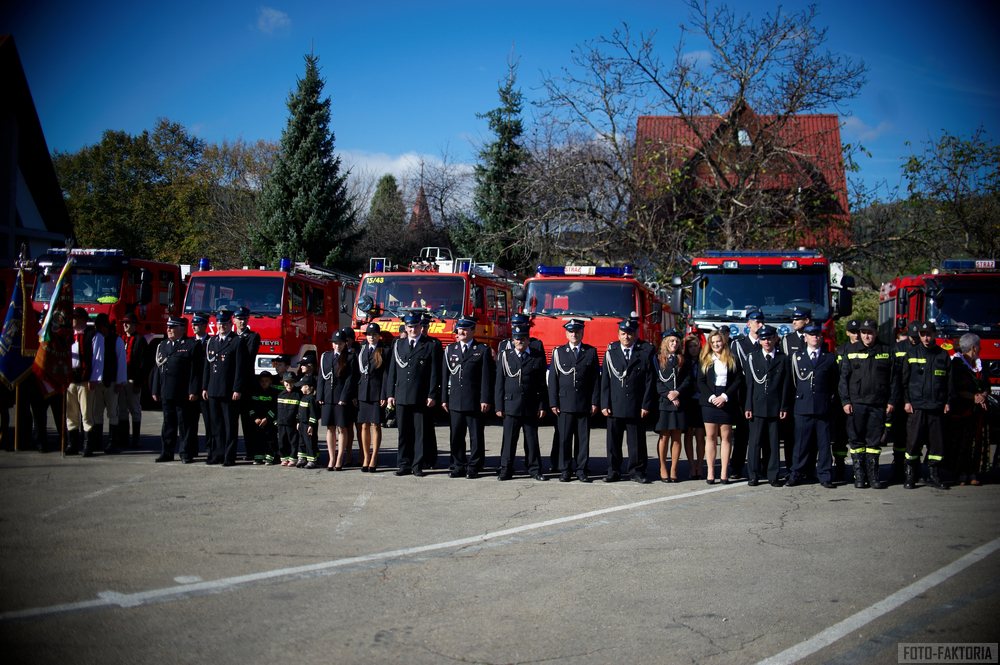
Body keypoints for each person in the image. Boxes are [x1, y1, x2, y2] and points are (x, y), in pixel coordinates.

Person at [839, 318, 898, 489]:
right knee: (856, 441)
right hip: (856, 403)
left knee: (874, 443)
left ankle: (873, 477)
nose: (866, 336)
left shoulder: (887, 350)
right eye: (863, 333)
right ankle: (859, 476)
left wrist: (892, 400)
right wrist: (845, 401)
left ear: (876, 333)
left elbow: (894, 379)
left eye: (869, 333)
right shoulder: (850, 350)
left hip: (878, 403)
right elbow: (843, 379)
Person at [386, 313, 442, 477]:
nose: (413, 330)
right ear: (406, 328)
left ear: (420, 327)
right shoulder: (398, 344)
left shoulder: (429, 345)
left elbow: (435, 373)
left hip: (420, 396)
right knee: (404, 432)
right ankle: (404, 464)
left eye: (416, 326)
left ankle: (417, 465)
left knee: (420, 433)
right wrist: (390, 394)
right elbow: (392, 371)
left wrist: (432, 394)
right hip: (402, 395)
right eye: (410, 327)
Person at [601, 319, 655, 483]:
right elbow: (605, 380)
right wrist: (604, 403)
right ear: (618, 335)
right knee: (613, 442)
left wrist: (646, 404)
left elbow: (649, 382)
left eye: (630, 333)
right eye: (623, 333)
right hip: (615, 404)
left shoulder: (644, 352)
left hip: (636, 404)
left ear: (636, 334)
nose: (626, 337)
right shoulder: (611, 352)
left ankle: (637, 471)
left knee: (636, 441)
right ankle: (613, 471)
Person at [442, 316, 495, 479]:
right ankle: (458, 465)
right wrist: (444, 398)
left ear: (473, 331)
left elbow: (487, 377)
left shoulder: (482, 349)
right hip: (455, 400)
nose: (462, 332)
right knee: (456, 435)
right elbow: (444, 376)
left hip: (474, 400)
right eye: (460, 329)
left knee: (476, 436)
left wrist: (485, 399)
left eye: (465, 329)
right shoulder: (450, 349)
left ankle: (475, 465)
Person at [786, 324, 839, 488]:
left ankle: (825, 475)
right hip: (803, 406)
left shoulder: (829, 358)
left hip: (823, 407)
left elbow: (834, 382)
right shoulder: (797, 357)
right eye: (811, 335)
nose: (815, 337)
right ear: (806, 338)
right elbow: (792, 383)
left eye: (817, 335)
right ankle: (796, 474)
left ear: (821, 338)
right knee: (801, 444)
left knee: (824, 444)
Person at [547, 319, 599, 483]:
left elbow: (595, 380)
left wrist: (594, 401)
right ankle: (565, 469)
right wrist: (553, 402)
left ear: (582, 333)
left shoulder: (590, 352)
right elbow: (553, 379)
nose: (574, 334)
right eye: (571, 332)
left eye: (577, 332)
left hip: (584, 402)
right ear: (566, 334)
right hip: (565, 403)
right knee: (564, 438)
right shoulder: (559, 352)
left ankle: (581, 469)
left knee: (583, 439)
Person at [495, 323, 549, 481]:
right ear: (513, 340)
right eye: (517, 339)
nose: (520, 342)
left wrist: (542, 405)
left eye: (523, 339)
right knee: (509, 440)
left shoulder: (537, 356)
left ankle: (535, 469)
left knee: (532, 440)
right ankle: (506, 469)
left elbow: (541, 384)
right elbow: (499, 383)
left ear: (528, 340)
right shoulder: (505, 356)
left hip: (530, 405)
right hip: (511, 405)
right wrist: (499, 406)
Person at [901, 321, 951, 489]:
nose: (926, 338)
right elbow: (904, 380)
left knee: (936, 443)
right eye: (923, 335)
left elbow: (949, 382)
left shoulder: (943, 355)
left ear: (935, 335)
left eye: (929, 335)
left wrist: (948, 401)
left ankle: (933, 475)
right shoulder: (912, 352)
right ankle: (911, 475)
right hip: (916, 406)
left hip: (936, 406)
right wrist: (907, 401)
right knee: (913, 442)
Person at [150, 316, 203, 463]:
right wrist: (155, 390)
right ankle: (166, 452)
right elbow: (158, 368)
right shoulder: (163, 345)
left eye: (172, 327)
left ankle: (185, 453)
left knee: (185, 425)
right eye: (168, 327)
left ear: (182, 329)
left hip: (183, 393)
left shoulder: (192, 344)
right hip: (167, 392)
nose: (169, 330)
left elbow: (195, 371)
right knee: (168, 424)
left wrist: (193, 390)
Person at [743, 326, 790, 486]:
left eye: (769, 338)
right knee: (755, 443)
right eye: (763, 339)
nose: (767, 342)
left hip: (775, 406)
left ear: (775, 339)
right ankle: (754, 475)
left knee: (773, 443)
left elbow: (785, 386)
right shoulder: (753, 358)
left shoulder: (783, 359)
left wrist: (784, 407)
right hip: (757, 406)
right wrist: (748, 407)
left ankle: (773, 475)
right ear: (760, 341)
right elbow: (749, 385)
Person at [201, 310, 247, 466]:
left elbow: (240, 368)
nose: (221, 326)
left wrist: (237, 389)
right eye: (219, 323)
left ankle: (229, 456)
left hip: (228, 390)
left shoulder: (237, 341)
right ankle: (217, 454)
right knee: (216, 425)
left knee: (229, 425)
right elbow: (207, 366)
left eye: (225, 323)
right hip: (213, 389)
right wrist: (205, 387)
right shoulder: (212, 341)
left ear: (230, 324)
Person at [697, 329, 741, 484]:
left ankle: (724, 472)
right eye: (713, 342)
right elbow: (701, 381)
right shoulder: (705, 359)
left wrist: (724, 397)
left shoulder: (733, 359)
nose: (716, 344)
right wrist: (712, 397)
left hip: (727, 400)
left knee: (726, 437)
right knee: (710, 437)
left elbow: (737, 380)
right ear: (710, 344)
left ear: (724, 342)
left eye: (718, 341)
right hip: (709, 400)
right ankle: (710, 471)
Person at [949, 333, 990, 486]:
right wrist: (975, 397)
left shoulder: (978, 364)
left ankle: (973, 471)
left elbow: (986, 384)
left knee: (976, 441)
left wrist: (983, 395)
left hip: (978, 411)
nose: (980, 349)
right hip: (962, 410)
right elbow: (956, 387)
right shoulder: (957, 364)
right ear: (973, 348)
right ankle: (962, 473)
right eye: (979, 346)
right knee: (963, 442)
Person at [729, 309, 765, 479]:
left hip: (762, 393)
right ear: (748, 324)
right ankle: (736, 467)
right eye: (756, 321)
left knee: (763, 434)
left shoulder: (767, 342)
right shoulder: (738, 344)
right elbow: (734, 371)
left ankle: (763, 466)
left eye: (762, 321)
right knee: (742, 434)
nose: (760, 324)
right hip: (743, 394)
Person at [66, 307, 104, 456]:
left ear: (83, 320)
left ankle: (88, 444)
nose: (72, 320)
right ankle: (72, 443)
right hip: (70, 380)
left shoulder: (94, 335)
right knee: (71, 413)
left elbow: (98, 359)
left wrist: (94, 378)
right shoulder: (68, 335)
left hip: (85, 380)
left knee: (87, 413)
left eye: (75, 318)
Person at [655, 330, 692, 483]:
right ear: (665, 342)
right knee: (664, 437)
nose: (674, 344)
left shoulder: (683, 359)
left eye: (677, 341)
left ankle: (674, 469)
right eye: (671, 341)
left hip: (679, 402)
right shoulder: (658, 359)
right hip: (664, 403)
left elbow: (688, 379)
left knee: (677, 437)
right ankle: (663, 467)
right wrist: (669, 395)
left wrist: (678, 393)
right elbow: (656, 380)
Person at [887, 321, 920, 481]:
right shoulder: (898, 348)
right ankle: (898, 468)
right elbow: (893, 376)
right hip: (901, 398)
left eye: (916, 336)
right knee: (900, 435)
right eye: (912, 336)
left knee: (917, 436)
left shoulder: (923, 349)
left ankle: (914, 469)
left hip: (918, 398)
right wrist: (893, 398)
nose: (914, 339)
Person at [780, 307, 811, 474]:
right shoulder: (787, 340)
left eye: (798, 319)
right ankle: (791, 467)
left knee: (809, 433)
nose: (794, 322)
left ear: (806, 321)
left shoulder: (814, 337)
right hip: (793, 393)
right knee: (790, 433)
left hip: (810, 393)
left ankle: (809, 468)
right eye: (793, 319)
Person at [320, 330, 357, 470]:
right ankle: (331, 458)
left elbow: (350, 379)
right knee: (330, 428)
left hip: (341, 397)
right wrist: (320, 396)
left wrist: (344, 397)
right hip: (328, 397)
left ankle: (340, 457)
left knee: (342, 428)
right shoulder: (326, 356)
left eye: (340, 343)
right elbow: (321, 377)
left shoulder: (350, 357)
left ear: (345, 344)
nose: (337, 346)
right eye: (335, 343)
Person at [92, 313, 127, 453]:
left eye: (100, 326)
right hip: (98, 383)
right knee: (96, 412)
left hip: (111, 382)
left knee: (112, 412)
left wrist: (119, 382)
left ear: (106, 327)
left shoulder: (116, 340)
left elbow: (121, 362)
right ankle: (96, 441)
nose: (97, 328)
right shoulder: (95, 339)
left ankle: (112, 441)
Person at [832, 319, 861, 481]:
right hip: (840, 400)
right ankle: (839, 465)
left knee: (858, 435)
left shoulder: (865, 350)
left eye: (859, 332)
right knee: (840, 435)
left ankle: (860, 468)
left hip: (859, 398)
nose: (857, 335)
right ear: (848, 333)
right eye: (853, 332)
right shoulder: (840, 350)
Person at [356, 324, 387, 472]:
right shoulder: (362, 351)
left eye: (374, 335)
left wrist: (384, 394)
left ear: (379, 336)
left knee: (376, 425)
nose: (371, 337)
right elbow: (357, 374)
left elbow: (386, 375)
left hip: (376, 392)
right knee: (364, 425)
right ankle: (366, 456)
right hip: (363, 392)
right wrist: (355, 394)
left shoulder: (384, 351)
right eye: (369, 335)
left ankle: (374, 456)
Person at [233, 307, 261, 461]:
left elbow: (248, 357)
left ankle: (251, 451)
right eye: (239, 319)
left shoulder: (253, 336)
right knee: (230, 421)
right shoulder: (231, 337)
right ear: (234, 320)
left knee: (248, 420)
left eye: (244, 319)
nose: (242, 322)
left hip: (246, 384)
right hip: (231, 384)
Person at [119, 311, 149, 450]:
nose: (125, 325)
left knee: (135, 409)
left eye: (128, 323)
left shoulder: (140, 340)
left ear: (135, 325)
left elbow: (144, 364)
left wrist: (139, 383)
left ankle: (136, 440)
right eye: (124, 323)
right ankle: (123, 438)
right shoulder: (121, 339)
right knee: (122, 410)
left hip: (133, 381)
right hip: (122, 381)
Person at [191, 313, 215, 458]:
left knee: (209, 421)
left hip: (206, 387)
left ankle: (210, 448)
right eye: (193, 324)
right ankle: (192, 448)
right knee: (191, 421)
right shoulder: (189, 342)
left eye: (197, 324)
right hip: (193, 388)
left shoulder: (211, 342)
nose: (194, 327)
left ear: (204, 325)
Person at [683, 336, 706, 480]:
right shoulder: (684, 362)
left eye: (695, 346)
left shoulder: (705, 361)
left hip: (701, 401)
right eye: (690, 346)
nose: (693, 349)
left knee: (700, 436)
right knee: (688, 434)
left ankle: (700, 466)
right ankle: (692, 467)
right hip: (688, 402)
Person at [249, 371, 281, 464]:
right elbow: (250, 407)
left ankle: (269, 457)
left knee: (270, 439)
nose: (264, 383)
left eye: (266, 381)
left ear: (271, 381)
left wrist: (267, 418)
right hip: (258, 421)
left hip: (269, 422)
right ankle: (258, 457)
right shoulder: (255, 392)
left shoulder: (273, 393)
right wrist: (255, 418)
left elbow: (274, 408)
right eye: (262, 381)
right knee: (258, 439)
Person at [295, 374, 320, 468]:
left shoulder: (312, 399)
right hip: (301, 424)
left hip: (308, 425)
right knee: (301, 442)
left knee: (310, 442)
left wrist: (311, 425)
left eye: (302, 386)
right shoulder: (303, 397)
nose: (300, 388)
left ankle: (312, 460)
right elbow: (299, 411)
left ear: (307, 387)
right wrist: (298, 422)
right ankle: (302, 458)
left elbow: (313, 414)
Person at [276, 371, 301, 466]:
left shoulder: (298, 395)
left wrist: (298, 421)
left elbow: (299, 410)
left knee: (293, 441)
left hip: (292, 423)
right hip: (281, 422)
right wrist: (276, 420)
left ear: (295, 383)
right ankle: (284, 458)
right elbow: (276, 409)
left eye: (291, 382)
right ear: (283, 382)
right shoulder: (280, 394)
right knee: (282, 441)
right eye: (287, 382)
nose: (289, 384)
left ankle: (293, 458)